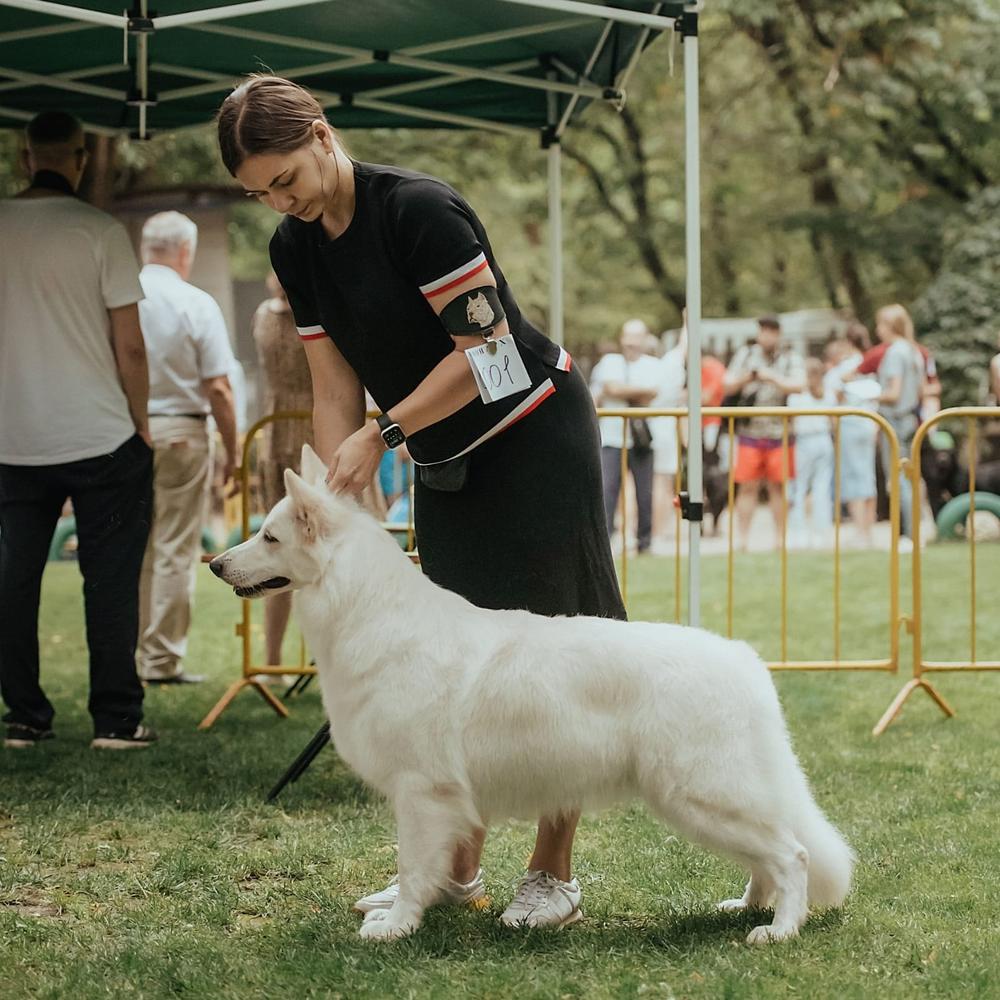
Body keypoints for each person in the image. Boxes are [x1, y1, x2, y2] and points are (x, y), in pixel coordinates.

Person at [217, 75, 625, 929]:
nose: (280, 202)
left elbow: (489, 351)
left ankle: (553, 874)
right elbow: (334, 386)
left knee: (551, 650)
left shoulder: (419, 211)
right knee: (451, 657)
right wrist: (337, 507)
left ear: (323, 135)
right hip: (440, 446)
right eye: (260, 193)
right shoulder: (295, 249)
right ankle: (450, 868)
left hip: (533, 432)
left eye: (285, 178)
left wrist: (384, 437)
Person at [0, 111, 156, 749]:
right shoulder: (100, 231)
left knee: (13, 581)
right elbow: (131, 349)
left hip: (11, 439)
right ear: (82, 159)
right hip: (101, 435)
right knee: (111, 580)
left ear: (22, 157)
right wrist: (142, 424)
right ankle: (116, 719)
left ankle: (25, 717)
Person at [137, 212, 239, 684]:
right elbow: (218, 387)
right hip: (182, 431)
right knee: (175, 549)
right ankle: (160, 661)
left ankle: (129, 653)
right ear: (185, 252)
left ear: (144, 248)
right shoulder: (195, 303)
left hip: (126, 433)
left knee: (133, 548)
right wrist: (234, 452)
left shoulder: (119, 299)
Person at [252, 271, 314, 668]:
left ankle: (275, 660)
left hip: (279, 426)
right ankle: (278, 658)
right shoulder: (315, 311)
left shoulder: (262, 314)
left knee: (283, 547)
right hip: (307, 423)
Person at [723, 316, 805, 550]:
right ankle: (742, 538)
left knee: (778, 486)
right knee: (747, 486)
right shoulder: (746, 355)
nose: (766, 336)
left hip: (780, 432)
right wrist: (747, 377)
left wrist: (772, 378)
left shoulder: (790, 358)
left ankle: (780, 539)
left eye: (771, 331)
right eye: (762, 331)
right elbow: (727, 383)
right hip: (749, 431)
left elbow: (799, 384)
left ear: (778, 334)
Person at [589, 319, 661, 554]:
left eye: (637, 336)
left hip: (642, 439)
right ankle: (606, 541)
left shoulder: (653, 364)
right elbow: (611, 389)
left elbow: (651, 394)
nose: (632, 342)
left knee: (644, 493)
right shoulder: (610, 362)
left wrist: (622, 390)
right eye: (628, 336)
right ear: (622, 338)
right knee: (607, 490)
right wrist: (633, 391)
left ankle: (644, 542)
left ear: (645, 339)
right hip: (612, 437)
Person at [825, 324, 880, 547]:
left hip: (850, 423)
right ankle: (868, 529)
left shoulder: (846, 367)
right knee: (868, 476)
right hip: (870, 424)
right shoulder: (870, 364)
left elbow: (834, 393)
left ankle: (860, 531)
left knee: (854, 477)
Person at [873, 304, 926, 539]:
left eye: (880, 324)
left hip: (894, 420)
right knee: (909, 477)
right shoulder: (914, 351)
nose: (877, 330)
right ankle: (912, 532)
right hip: (910, 419)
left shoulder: (895, 352)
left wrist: (868, 394)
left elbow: (893, 393)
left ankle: (908, 535)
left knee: (899, 480)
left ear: (889, 325)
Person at [786, 359, 836, 548]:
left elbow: (791, 422)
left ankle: (800, 532)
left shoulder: (797, 397)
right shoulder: (828, 395)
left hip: (806, 441)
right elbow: (833, 423)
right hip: (823, 440)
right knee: (821, 489)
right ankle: (820, 532)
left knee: (799, 488)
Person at [650, 325, 687, 548]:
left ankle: (653, 530)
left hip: (651, 426)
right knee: (662, 483)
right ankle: (657, 532)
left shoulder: (647, 370)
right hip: (663, 427)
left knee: (651, 483)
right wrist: (687, 320)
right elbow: (684, 346)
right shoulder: (670, 365)